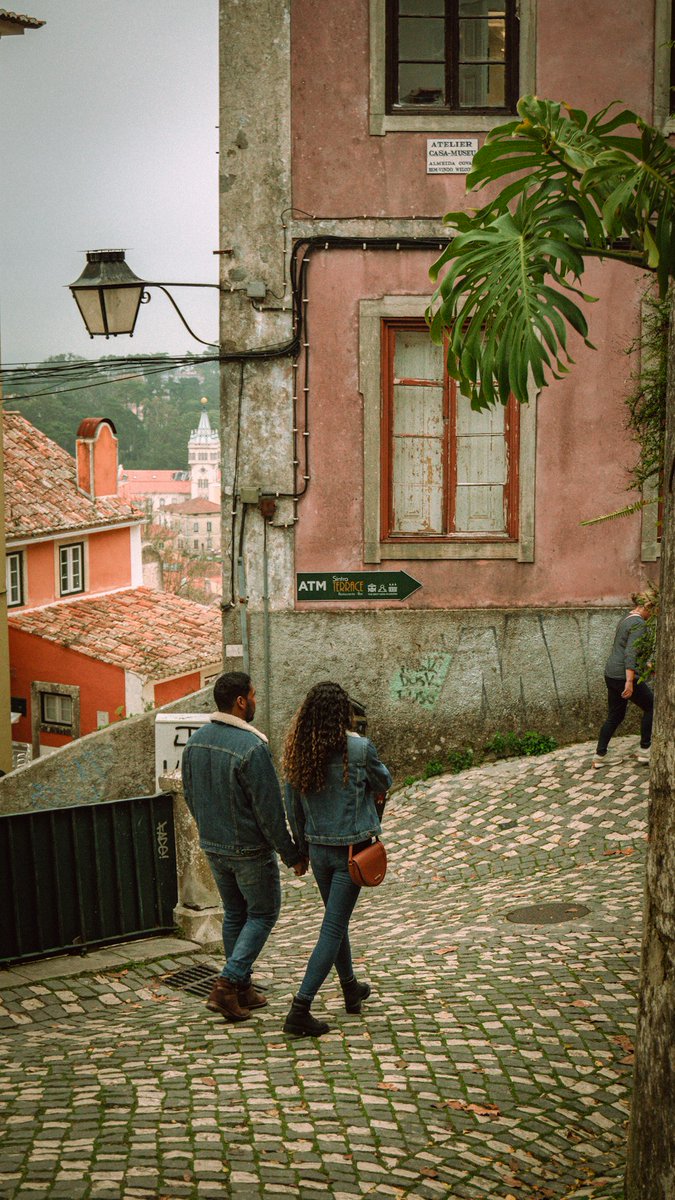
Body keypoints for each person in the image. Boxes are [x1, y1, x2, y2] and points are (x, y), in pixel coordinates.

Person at [182, 671, 307, 1023]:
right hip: (248, 849)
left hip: (214, 845)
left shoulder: (196, 742)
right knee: (263, 914)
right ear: (240, 701)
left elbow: (191, 796)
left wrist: (209, 831)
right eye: (253, 695)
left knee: (236, 914)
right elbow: (269, 812)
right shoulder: (252, 747)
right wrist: (292, 854)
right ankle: (227, 985)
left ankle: (242, 989)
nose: (256, 701)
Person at [281, 681, 392, 1038]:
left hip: (318, 851)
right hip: (351, 852)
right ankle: (301, 1007)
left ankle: (350, 989)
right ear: (343, 713)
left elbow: (292, 805)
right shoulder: (358, 749)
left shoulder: (300, 750)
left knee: (335, 919)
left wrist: (299, 849)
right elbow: (384, 779)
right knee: (332, 927)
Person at [593, 590, 656, 769]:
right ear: (647, 606)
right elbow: (630, 653)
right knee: (652, 706)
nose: (652, 614)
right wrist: (629, 681)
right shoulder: (639, 624)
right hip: (624, 676)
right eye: (653, 609)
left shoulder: (627, 618)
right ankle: (645, 750)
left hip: (611, 674)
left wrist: (646, 668)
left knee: (615, 715)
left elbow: (624, 649)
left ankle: (601, 755)